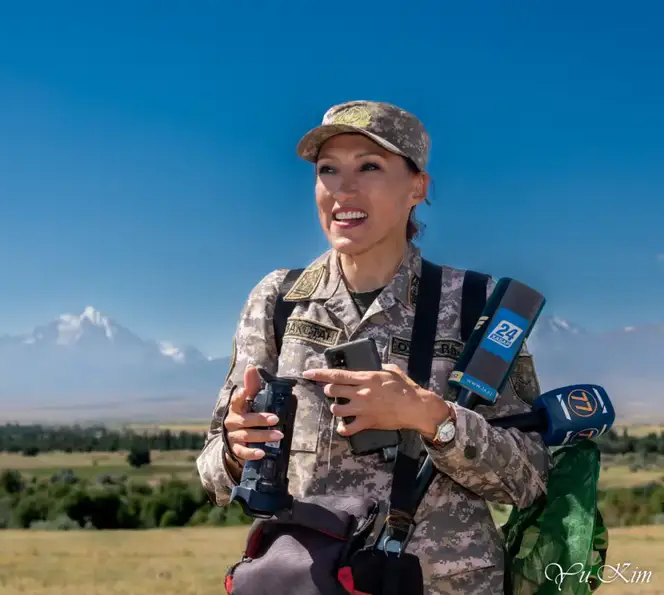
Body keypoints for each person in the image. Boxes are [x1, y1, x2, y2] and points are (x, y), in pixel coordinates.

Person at [196, 100, 550, 595]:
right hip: (310, 580)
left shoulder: (476, 304)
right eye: (328, 170)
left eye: (370, 166)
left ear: (417, 188)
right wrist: (237, 449)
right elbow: (212, 469)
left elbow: (529, 479)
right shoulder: (279, 300)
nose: (345, 188)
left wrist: (432, 418)